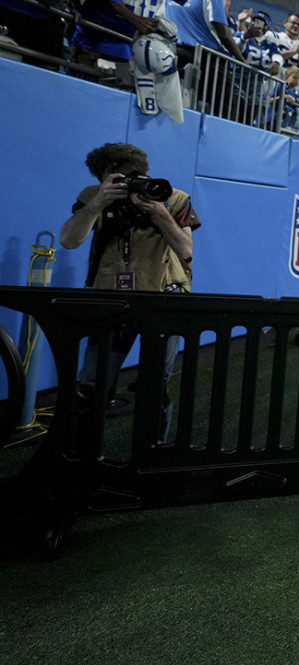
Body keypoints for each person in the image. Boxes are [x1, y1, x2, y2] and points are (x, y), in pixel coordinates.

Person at [59, 143, 201, 442]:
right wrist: (98, 203)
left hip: (163, 297)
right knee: (93, 383)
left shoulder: (173, 197)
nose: (135, 183)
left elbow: (187, 251)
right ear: (104, 179)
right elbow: (69, 241)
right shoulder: (92, 197)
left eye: (139, 175)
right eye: (121, 179)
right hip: (111, 299)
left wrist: (160, 213)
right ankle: (80, 452)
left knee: (154, 384)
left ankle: (154, 450)